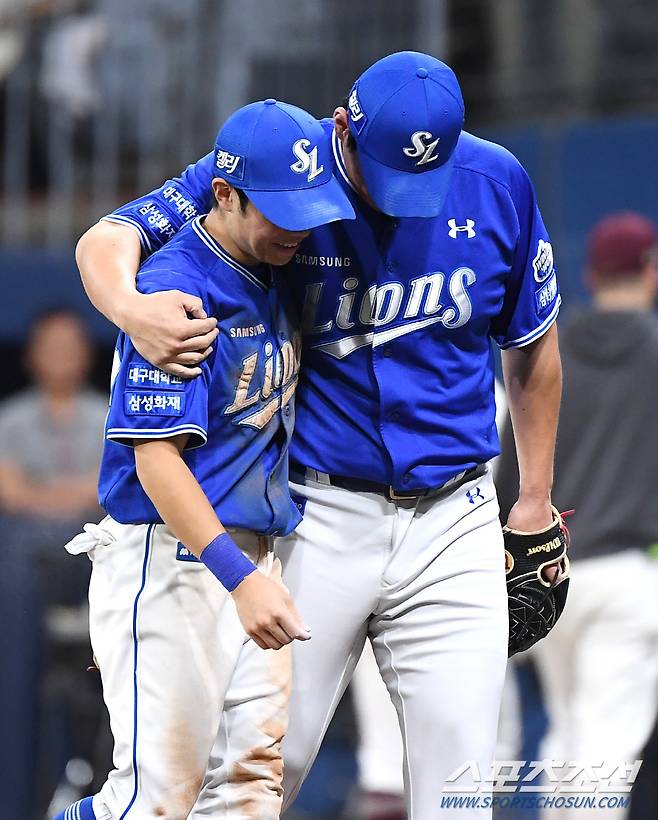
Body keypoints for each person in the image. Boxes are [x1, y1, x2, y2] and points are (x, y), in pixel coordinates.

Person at [76, 52, 563, 819]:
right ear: (343, 127)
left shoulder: (496, 181)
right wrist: (131, 308)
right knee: (254, 775)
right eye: (389, 174)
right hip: (317, 511)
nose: (409, 197)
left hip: (455, 513)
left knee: (463, 790)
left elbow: (533, 345)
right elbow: (109, 238)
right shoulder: (281, 165)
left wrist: (533, 497)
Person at [55, 98, 355, 820]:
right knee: (154, 803)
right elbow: (157, 467)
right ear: (225, 194)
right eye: (282, 207)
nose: (301, 223)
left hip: (250, 555)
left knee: (251, 793)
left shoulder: (276, 260)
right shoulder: (177, 291)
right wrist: (239, 579)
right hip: (174, 557)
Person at [498, 211, 658, 820]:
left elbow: (511, 474)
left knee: (567, 740)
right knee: (607, 751)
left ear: (590, 275)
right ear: (650, 271)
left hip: (552, 573)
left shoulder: (547, 356)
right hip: (629, 575)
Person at [0, 309, 107, 819]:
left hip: (97, 561)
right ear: (32, 355)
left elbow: (105, 489)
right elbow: (10, 492)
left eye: (71, 346)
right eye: (51, 346)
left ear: (86, 354)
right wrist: (69, 501)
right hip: (26, 571)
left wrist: (51, 499)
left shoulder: (111, 414)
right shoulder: (10, 420)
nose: (61, 356)